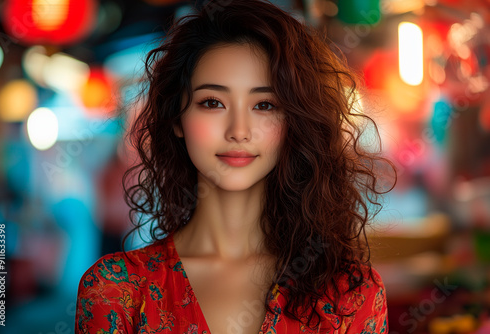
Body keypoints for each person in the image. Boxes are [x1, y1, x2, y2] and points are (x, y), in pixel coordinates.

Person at [75, 0, 396, 333]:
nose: (239, 130)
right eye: (212, 102)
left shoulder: (351, 295)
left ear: (294, 123)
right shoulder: (114, 291)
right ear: (177, 118)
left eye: (264, 104)